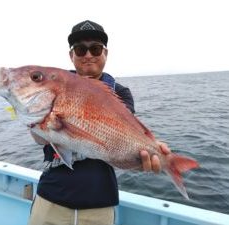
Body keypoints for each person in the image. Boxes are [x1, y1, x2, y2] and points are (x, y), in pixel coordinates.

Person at [28, 20, 170, 225]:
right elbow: (40, 140)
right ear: (71, 55)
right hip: (51, 197)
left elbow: (122, 140)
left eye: (95, 49)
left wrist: (145, 156)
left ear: (105, 53)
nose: (87, 55)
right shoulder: (54, 86)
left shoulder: (120, 93)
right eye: (80, 49)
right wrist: (36, 119)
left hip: (99, 202)